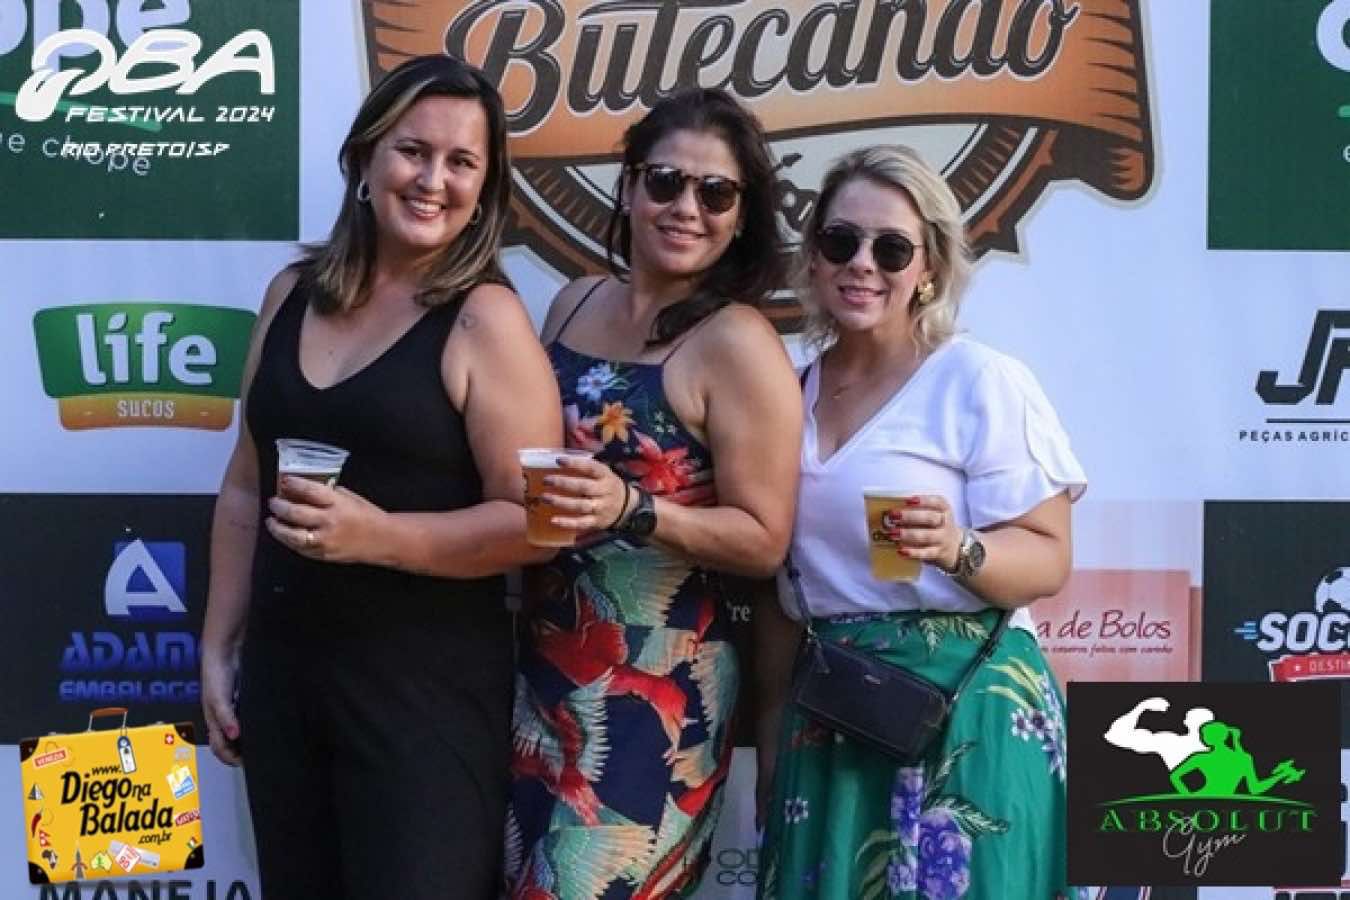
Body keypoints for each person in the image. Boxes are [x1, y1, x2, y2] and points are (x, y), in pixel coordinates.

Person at [199, 55, 562, 899]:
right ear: (364, 158)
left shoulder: (485, 319)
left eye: (462, 162)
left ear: (485, 187)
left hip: (421, 703)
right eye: (413, 151)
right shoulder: (290, 294)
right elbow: (247, 484)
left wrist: (381, 537)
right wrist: (219, 645)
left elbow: (540, 524)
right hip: (286, 687)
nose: (434, 181)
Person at [754, 145, 1088, 899]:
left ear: (929, 267)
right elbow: (776, 585)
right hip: (835, 708)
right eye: (841, 240)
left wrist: (958, 547)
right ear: (813, 256)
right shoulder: (785, 393)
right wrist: (772, 741)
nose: (862, 264)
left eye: (892, 248)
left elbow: (1049, 556)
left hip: (968, 710)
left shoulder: (977, 379)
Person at [504, 88, 802, 899]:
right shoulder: (573, 302)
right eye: (666, 181)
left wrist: (634, 509)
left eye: (717, 193)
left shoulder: (738, 341)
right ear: (629, 184)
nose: (686, 208)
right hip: (543, 666)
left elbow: (765, 538)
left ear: (742, 215)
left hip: (655, 688)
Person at [1105, 696, 1214, 770]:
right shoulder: (1170, 742)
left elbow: (1116, 735)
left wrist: (1141, 707)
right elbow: (1116, 736)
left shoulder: (1170, 742)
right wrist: (1142, 707)